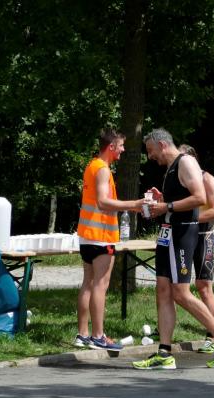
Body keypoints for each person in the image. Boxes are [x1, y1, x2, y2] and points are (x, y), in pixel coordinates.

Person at [132, 129, 214, 370]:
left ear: (162, 144)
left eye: (150, 150)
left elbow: (199, 198)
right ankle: (164, 352)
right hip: (168, 233)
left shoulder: (186, 162)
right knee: (163, 290)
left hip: (182, 234)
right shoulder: (171, 168)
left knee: (181, 293)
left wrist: (166, 206)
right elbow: (180, 199)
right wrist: (162, 201)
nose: (150, 156)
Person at [75, 128, 144, 351]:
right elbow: (103, 202)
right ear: (111, 146)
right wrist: (134, 205)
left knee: (88, 283)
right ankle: (98, 336)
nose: (123, 150)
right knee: (100, 285)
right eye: (121, 146)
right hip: (101, 236)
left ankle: (83, 335)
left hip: (87, 235)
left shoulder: (92, 165)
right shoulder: (103, 170)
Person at [178, 144, 214, 354]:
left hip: (205, 236)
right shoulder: (180, 180)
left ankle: (213, 337)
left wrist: (191, 219)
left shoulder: (207, 179)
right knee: (175, 285)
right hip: (185, 236)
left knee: (204, 286)